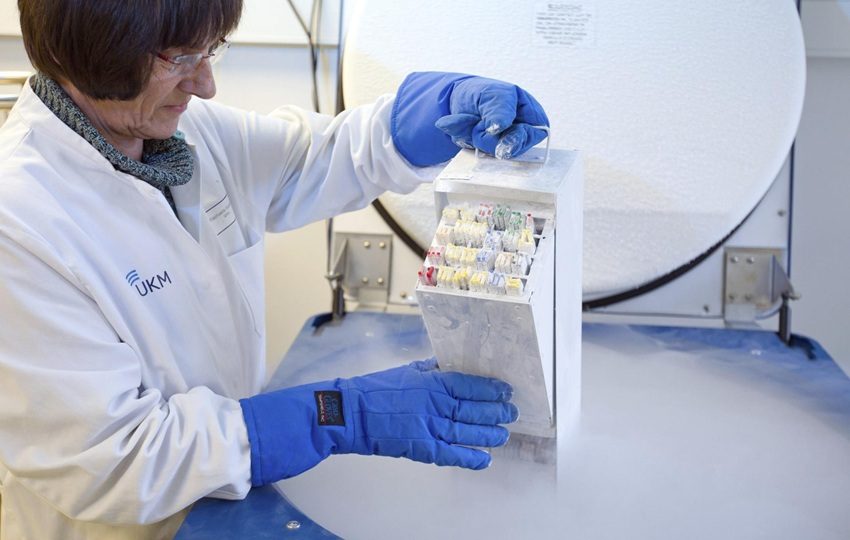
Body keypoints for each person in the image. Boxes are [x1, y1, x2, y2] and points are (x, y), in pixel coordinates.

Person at [0, 1, 550, 538]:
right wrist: (337, 413)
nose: (206, 85)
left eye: (211, 50)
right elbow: (114, 460)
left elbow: (313, 158)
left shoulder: (181, 134)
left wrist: (424, 114)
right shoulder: (21, 219)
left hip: (231, 500)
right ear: (96, 54)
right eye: (179, 59)